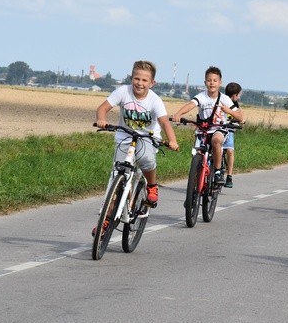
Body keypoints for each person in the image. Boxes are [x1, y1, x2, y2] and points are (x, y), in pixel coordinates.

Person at [94, 60, 179, 224]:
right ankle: (105, 222)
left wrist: (172, 140)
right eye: (136, 79)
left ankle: (152, 186)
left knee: (146, 160)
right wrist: (101, 119)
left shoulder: (155, 100)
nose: (139, 83)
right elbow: (102, 108)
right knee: (117, 181)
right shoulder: (123, 92)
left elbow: (164, 122)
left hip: (147, 138)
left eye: (144, 80)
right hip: (125, 137)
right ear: (131, 78)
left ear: (152, 83)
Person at [171, 66, 244, 185]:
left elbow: (240, 117)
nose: (212, 83)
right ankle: (196, 178)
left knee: (216, 140)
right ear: (205, 82)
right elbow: (190, 105)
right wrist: (178, 114)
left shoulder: (224, 99)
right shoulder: (201, 96)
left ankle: (218, 171)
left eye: (215, 80)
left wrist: (228, 111)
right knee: (197, 153)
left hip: (218, 129)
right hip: (203, 130)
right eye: (209, 80)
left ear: (220, 83)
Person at [222, 82, 244, 187]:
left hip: (229, 129)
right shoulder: (222, 101)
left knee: (230, 151)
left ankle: (229, 176)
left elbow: (240, 116)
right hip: (220, 128)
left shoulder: (235, 105)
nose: (239, 97)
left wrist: (240, 120)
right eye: (239, 95)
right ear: (234, 95)